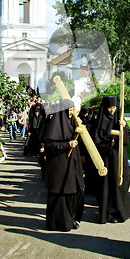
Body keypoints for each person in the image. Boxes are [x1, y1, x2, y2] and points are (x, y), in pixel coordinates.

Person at [44, 99, 85, 231]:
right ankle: (58, 223)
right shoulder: (54, 124)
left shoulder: (71, 123)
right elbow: (50, 146)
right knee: (61, 194)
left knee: (74, 192)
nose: (71, 113)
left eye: (73, 110)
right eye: (69, 110)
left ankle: (71, 219)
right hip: (59, 166)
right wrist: (67, 145)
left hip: (72, 165)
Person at [92, 95, 130, 224]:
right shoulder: (99, 121)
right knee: (106, 186)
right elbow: (96, 140)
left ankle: (120, 211)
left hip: (119, 157)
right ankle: (108, 213)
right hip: (106, 159)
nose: (112, 110)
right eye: (110, 107)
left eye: (114, 107)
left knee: (119, 184)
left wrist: (124, 127)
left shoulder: (119, 118)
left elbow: (128, 138)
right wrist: (108, 143)